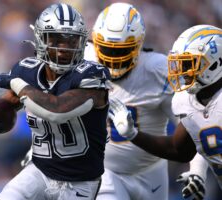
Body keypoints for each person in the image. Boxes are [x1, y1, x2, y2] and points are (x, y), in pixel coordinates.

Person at [0, 3, 111, 200]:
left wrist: (16, 83)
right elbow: (7, 104)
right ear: (41, 39)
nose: (64, 48)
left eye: (71, 41)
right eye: (57, 40)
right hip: (40, 171)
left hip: (79, 181)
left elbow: (57, 110)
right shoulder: (27, 71)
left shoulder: (92, 75)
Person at [84, 2, 208, 200]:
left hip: (152, 171)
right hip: (106, 172)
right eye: (107, 50)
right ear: (95, 42)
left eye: (120, 51)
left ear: (139, 45)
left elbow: (195, 127)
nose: (113, 59)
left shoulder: (159, 71)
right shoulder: (82, 59)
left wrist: (198, 168)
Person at [109, 24, 222, 199]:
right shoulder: (187, 100)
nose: (183, 72)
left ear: (216, 63)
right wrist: (133, 134)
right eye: (181, 64)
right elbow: (179, 149)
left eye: (190, 64)